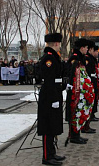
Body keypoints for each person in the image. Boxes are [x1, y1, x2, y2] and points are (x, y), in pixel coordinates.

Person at [37, 33, 65, 166]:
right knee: (47, 127)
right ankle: (47, 157)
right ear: (56, 44)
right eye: (59, 44)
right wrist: (54, 99)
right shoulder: (49, 59)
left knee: (53, 125)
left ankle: (52, 153)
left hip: (54, 94)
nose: (60, 46)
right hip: (49, 97)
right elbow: (49, 81)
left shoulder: (54, 57)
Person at [65, 38, 94, 144]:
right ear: (82, 48)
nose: (87, 49)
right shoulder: (75, 58)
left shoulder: (80, 57)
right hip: (74, 91)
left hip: (80, 90)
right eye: (86, 48)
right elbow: (72, 73)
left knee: (79, 110)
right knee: (75, 111)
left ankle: (77, 134)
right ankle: (73, 135)